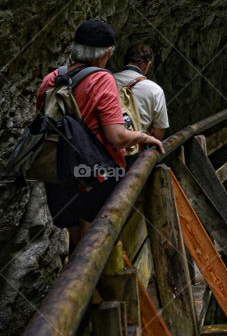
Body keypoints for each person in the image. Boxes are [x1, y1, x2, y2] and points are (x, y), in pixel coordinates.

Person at [37, 20, 163, 247]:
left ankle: (79, 279)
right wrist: (144, 137)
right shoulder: (102, 79)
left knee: (76, 241)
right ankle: (101, 281)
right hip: (93, 174)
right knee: (96, 242)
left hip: (57, 172)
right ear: (106, 53)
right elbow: (116, 136)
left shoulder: (51, 79)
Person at [113, 43, 169, 137]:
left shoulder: (107, 80)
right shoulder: (155, 90)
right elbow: (159, 133)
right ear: (148, 64)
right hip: (137, 146)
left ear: (124, 60)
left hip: (106, 144)